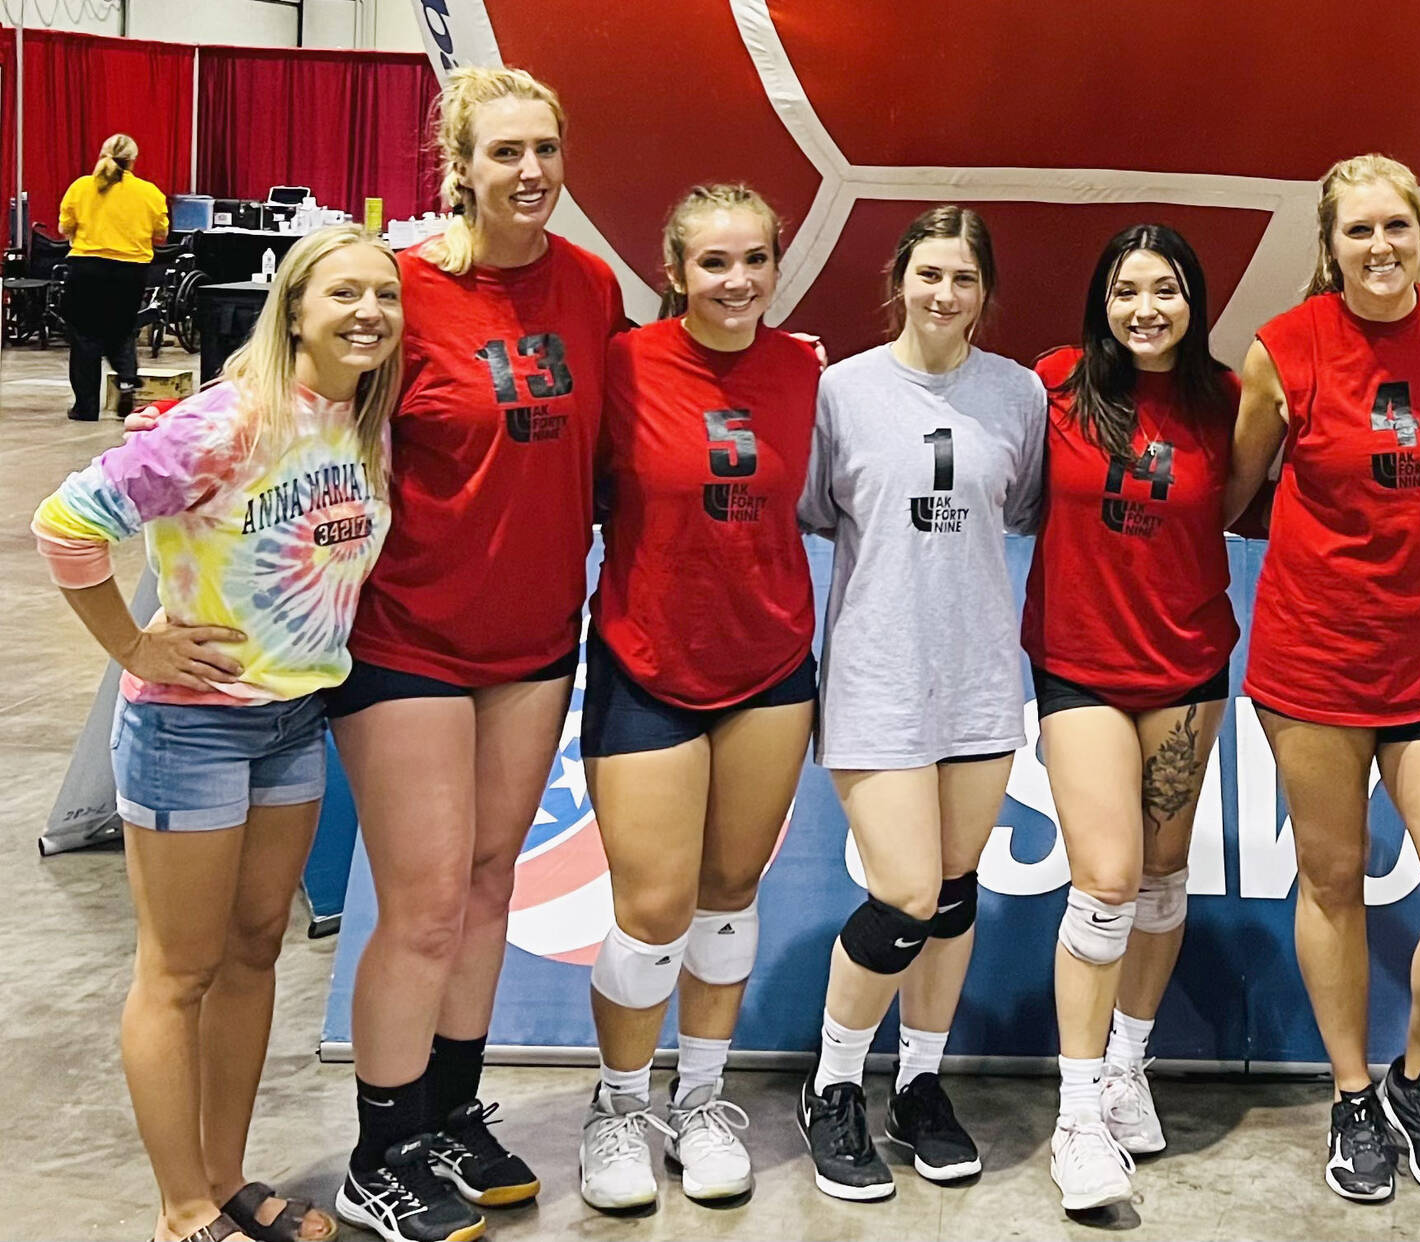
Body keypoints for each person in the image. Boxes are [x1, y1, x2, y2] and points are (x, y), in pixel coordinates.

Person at [33, 225, 400, 1242]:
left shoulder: (360, 422)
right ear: (295, 310)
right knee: (178, 970)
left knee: (251, 955)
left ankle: (229, 1179)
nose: (369, 312)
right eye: (345, 295)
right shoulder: (224, 423)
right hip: (190, 732)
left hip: (292, 723)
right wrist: (132, 648)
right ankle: (181, 1209)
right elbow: (66, 524)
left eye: (386, 294)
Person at [324, 68, 625, 1242]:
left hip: (537, 639)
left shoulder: (592, 288)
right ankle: (377, 1148)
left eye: (546, 149)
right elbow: (297, 407)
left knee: (491, 878)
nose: (531, 173)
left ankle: (448, 1108)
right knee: (423, 905)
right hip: (405, 639)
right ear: (459, 167)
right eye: (505, 152)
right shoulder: (395, 292)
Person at [1223, 155, 1420, 1204]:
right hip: (1312, 661)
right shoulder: (1283, 350)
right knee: (1332, 883)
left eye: (1395, 227)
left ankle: (1415, 1078)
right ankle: (1349, 1094)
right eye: (1357, 233)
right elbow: (1236, 490)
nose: (1378, 248)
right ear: (1328, 246)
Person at [574, 184, 821, 1211]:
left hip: (768, 667)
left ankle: (702, 1100)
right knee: (651, 909)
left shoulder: (806, 372)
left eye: (753, 260)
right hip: (647, 660)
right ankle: (618, 1108)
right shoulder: (621, 368)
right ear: (672, 271)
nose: (736, 281)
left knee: (728, 897)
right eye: (713, 263)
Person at [794, 205, 1046, 1202]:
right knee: (901, 890)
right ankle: (833, 1086)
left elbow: (1016, 510)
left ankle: (920, 1084)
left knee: (950, 890)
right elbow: (819, 510)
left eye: (965, 280)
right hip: (876, 673)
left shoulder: (1017, 396)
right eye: (929, 274)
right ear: (899, 279)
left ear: (985, 294)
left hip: (979, 676)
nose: (945, 296)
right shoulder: (841, 393)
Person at [1022, 224, 1238, 1210]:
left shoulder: (1224, 400)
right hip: (1079, 668)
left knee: (1159, 879)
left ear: (1193, 300)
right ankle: (1074, 1118)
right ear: (1099, 302)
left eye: (1164, 290)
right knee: (1104, 881)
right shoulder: (1055, 385)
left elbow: (1242, 500)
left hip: (1186, 668)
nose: (1143, 308)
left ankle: (1127, 1068)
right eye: (1124, 291)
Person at [57, 133, 169, 421]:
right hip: (130, 272)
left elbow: (64, 227)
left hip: (86, 269)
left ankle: (86, 406)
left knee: (85, 336)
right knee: (122, 328)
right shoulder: (149, 192)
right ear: (133, 160)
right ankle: (128, 378)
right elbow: (161, 233)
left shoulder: (81, 187)